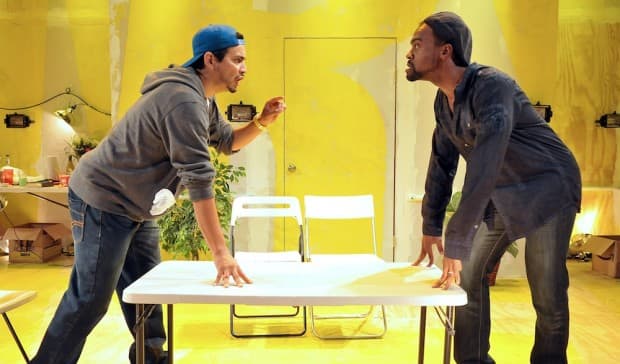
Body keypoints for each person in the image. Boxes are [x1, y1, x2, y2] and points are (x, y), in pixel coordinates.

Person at [31, 24, 285, 364]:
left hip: (136, 205)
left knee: (148, 291)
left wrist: (263, 121)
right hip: (103, 200)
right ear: (210, 60)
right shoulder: (182, 102)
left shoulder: (202, 100)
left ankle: (150, 359)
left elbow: (226, 143)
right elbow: (199, 181)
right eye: (238, 60)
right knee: (90, 298)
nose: (244, 68)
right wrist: (221, 252)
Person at [406, 12, 581, 364]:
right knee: (466, 277)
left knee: (546, 289)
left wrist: (456, 239)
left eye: (417, 44)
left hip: (549, 188)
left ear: (445, 51)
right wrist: (430, 228)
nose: (409, 52)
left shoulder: (492, 87)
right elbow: (442, 164)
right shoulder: (444, 101)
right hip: (503, 193)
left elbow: (485, 162)